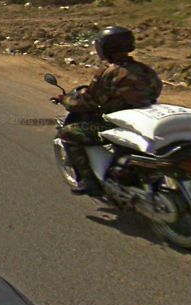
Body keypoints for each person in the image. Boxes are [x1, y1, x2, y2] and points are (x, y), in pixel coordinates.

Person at [56, 26, 163, 195]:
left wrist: (65, 100)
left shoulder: (109, 72)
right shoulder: (146, 70)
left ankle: (89, 182)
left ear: (105, 48)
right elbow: (156, 91)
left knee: (68, 133)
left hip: (115, 124)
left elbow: (88, 102)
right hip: (143, 122)